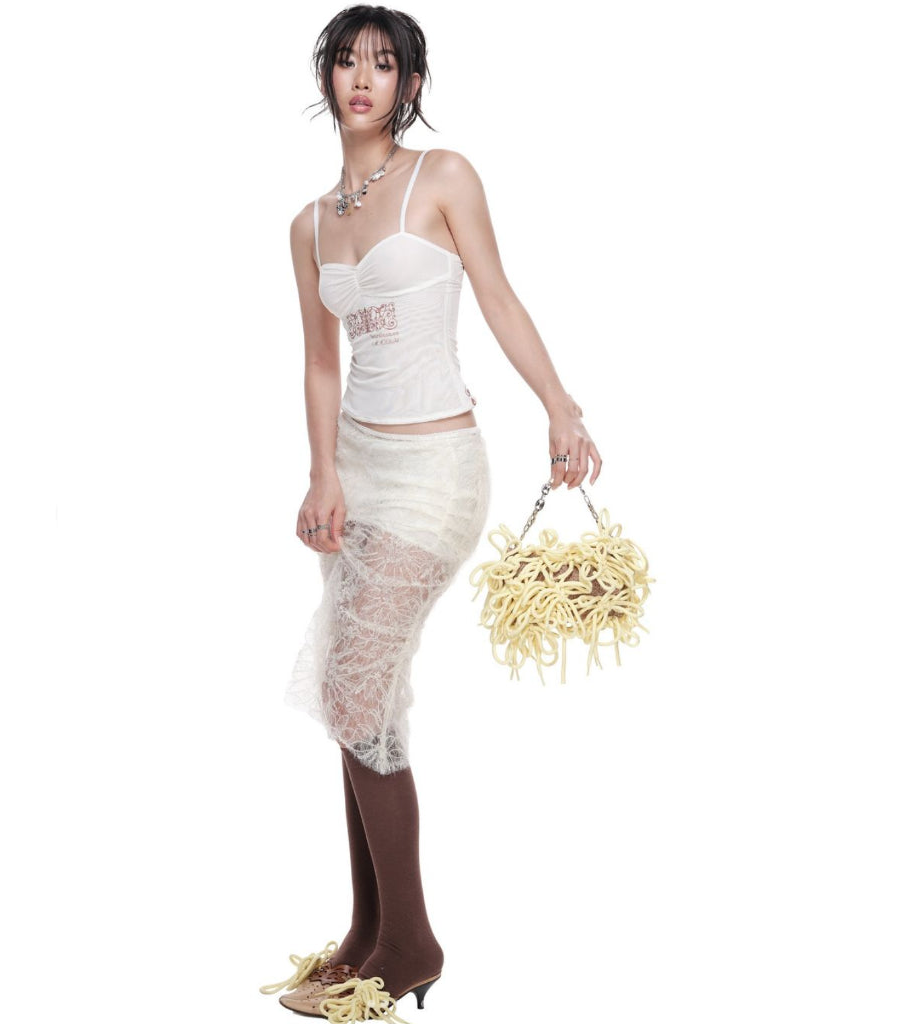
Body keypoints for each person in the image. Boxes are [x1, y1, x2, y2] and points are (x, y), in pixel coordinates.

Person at [261, 5, 602, 1021]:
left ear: (409, 84)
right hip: (356, 472)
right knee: (356, 698)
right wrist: (320, 475)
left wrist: (560, 405)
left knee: (356, 686)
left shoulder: (443, 176)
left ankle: (408, 943)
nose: (362, 78)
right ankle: (366, 935)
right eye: (346, 61)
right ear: (326, 78)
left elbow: (498, 296)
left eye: (384, 63)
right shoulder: (307, 224)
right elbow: (320, 363)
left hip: (435, 471)